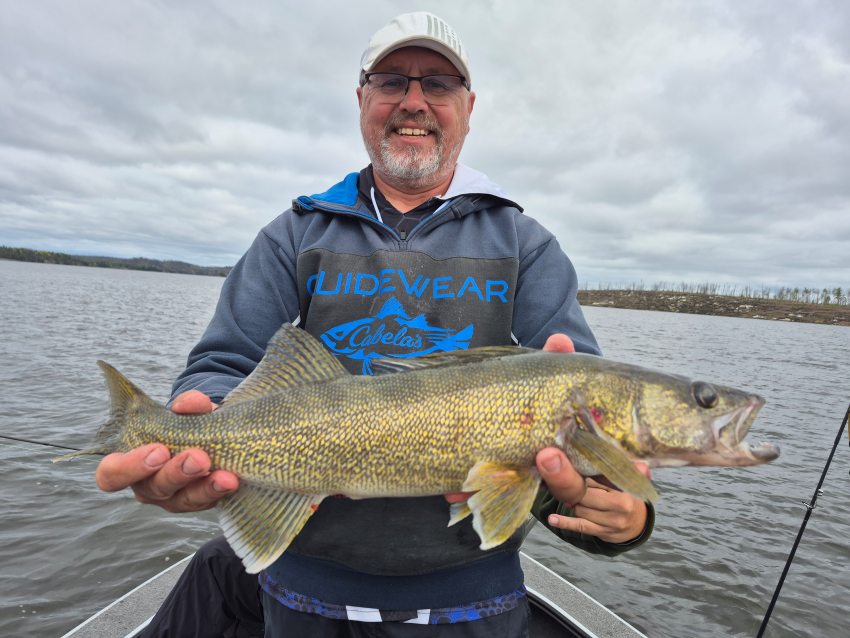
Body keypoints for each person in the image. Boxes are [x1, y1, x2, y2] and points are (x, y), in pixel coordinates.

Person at [95, 12, 654, 637]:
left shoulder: (527, 244)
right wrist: (193, 438)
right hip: (299, 591)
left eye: (438, 84)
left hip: (476, 600)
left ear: (469, 107)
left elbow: (576, 446)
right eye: (392, 81)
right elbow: (224, 369)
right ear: (362, 99)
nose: (413, 101)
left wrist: (619, 517)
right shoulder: (295, 234)